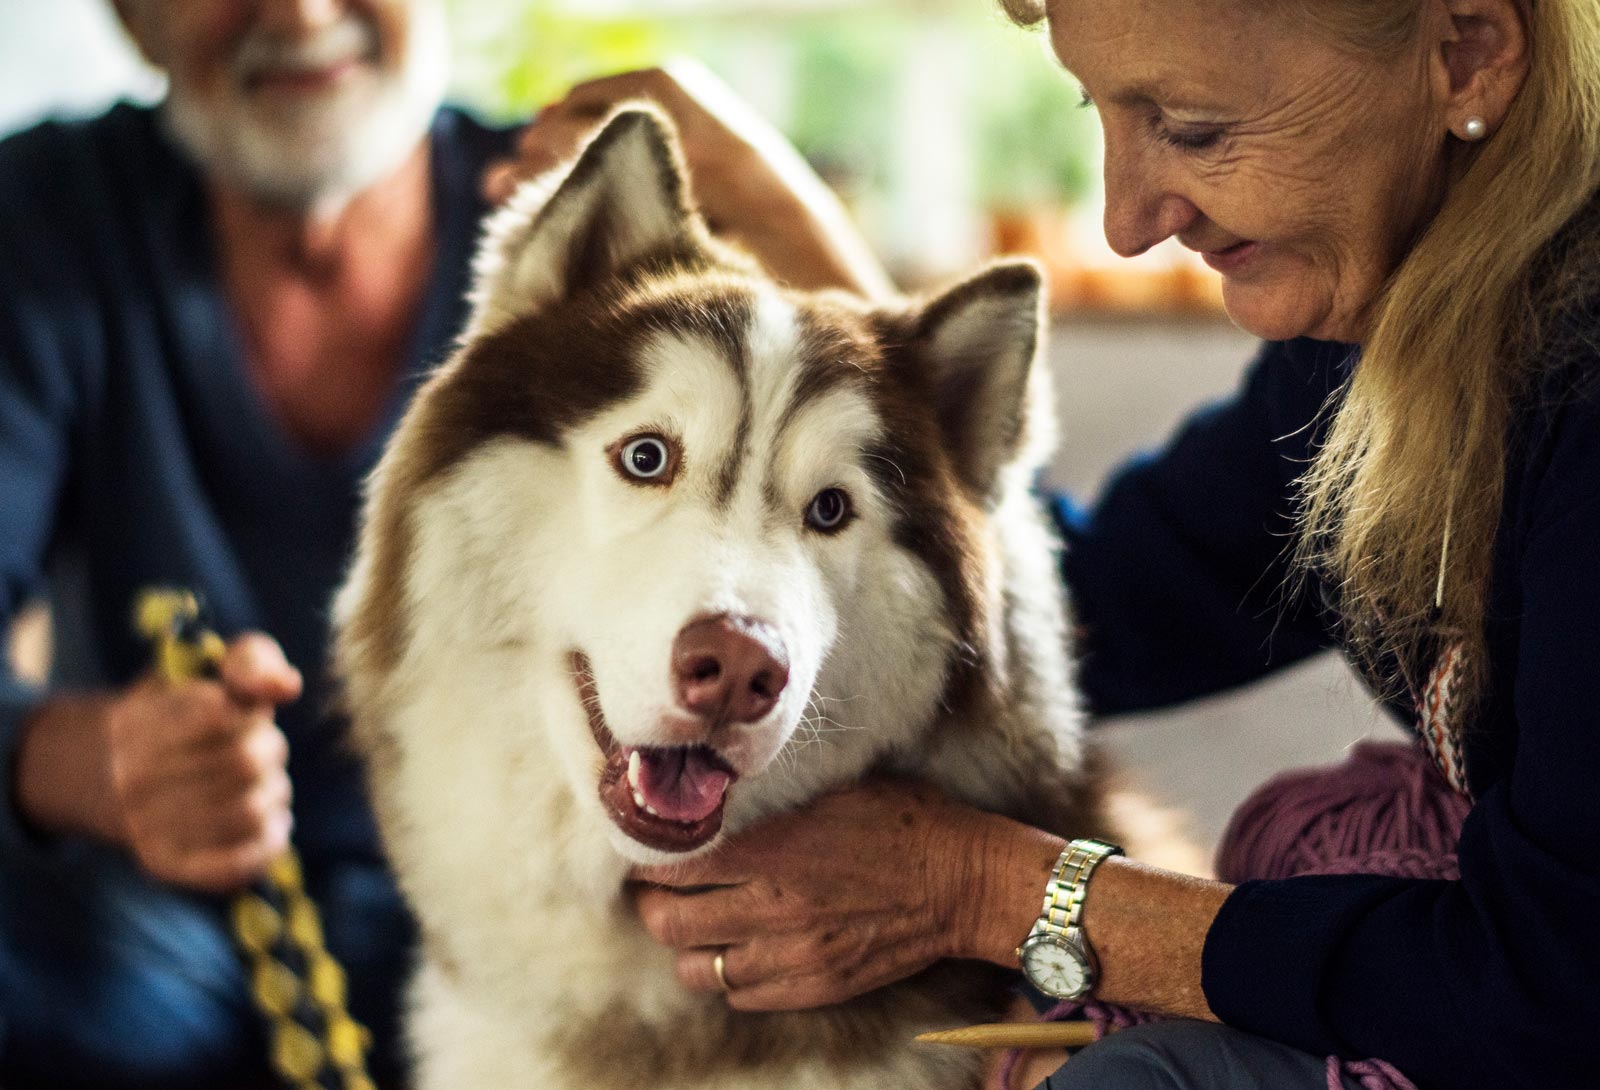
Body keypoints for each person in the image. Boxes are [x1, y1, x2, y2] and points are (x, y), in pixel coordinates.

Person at [570, 1, 1600, 1088]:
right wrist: (804, 249)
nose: (1124, 219)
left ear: (1467, 57)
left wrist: (994, 890)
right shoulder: (1375, 340)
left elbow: (1555, 981)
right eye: (1099, 111)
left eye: (1194, 130)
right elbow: (1085, 607)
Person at [0, 2, 884, 1087]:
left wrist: (805, 231)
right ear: (136, 19)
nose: (301, 14)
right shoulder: (38, 220)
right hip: (152, 937)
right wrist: (76, 761)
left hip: (564, 924)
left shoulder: (599, 231)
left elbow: (940, 529)